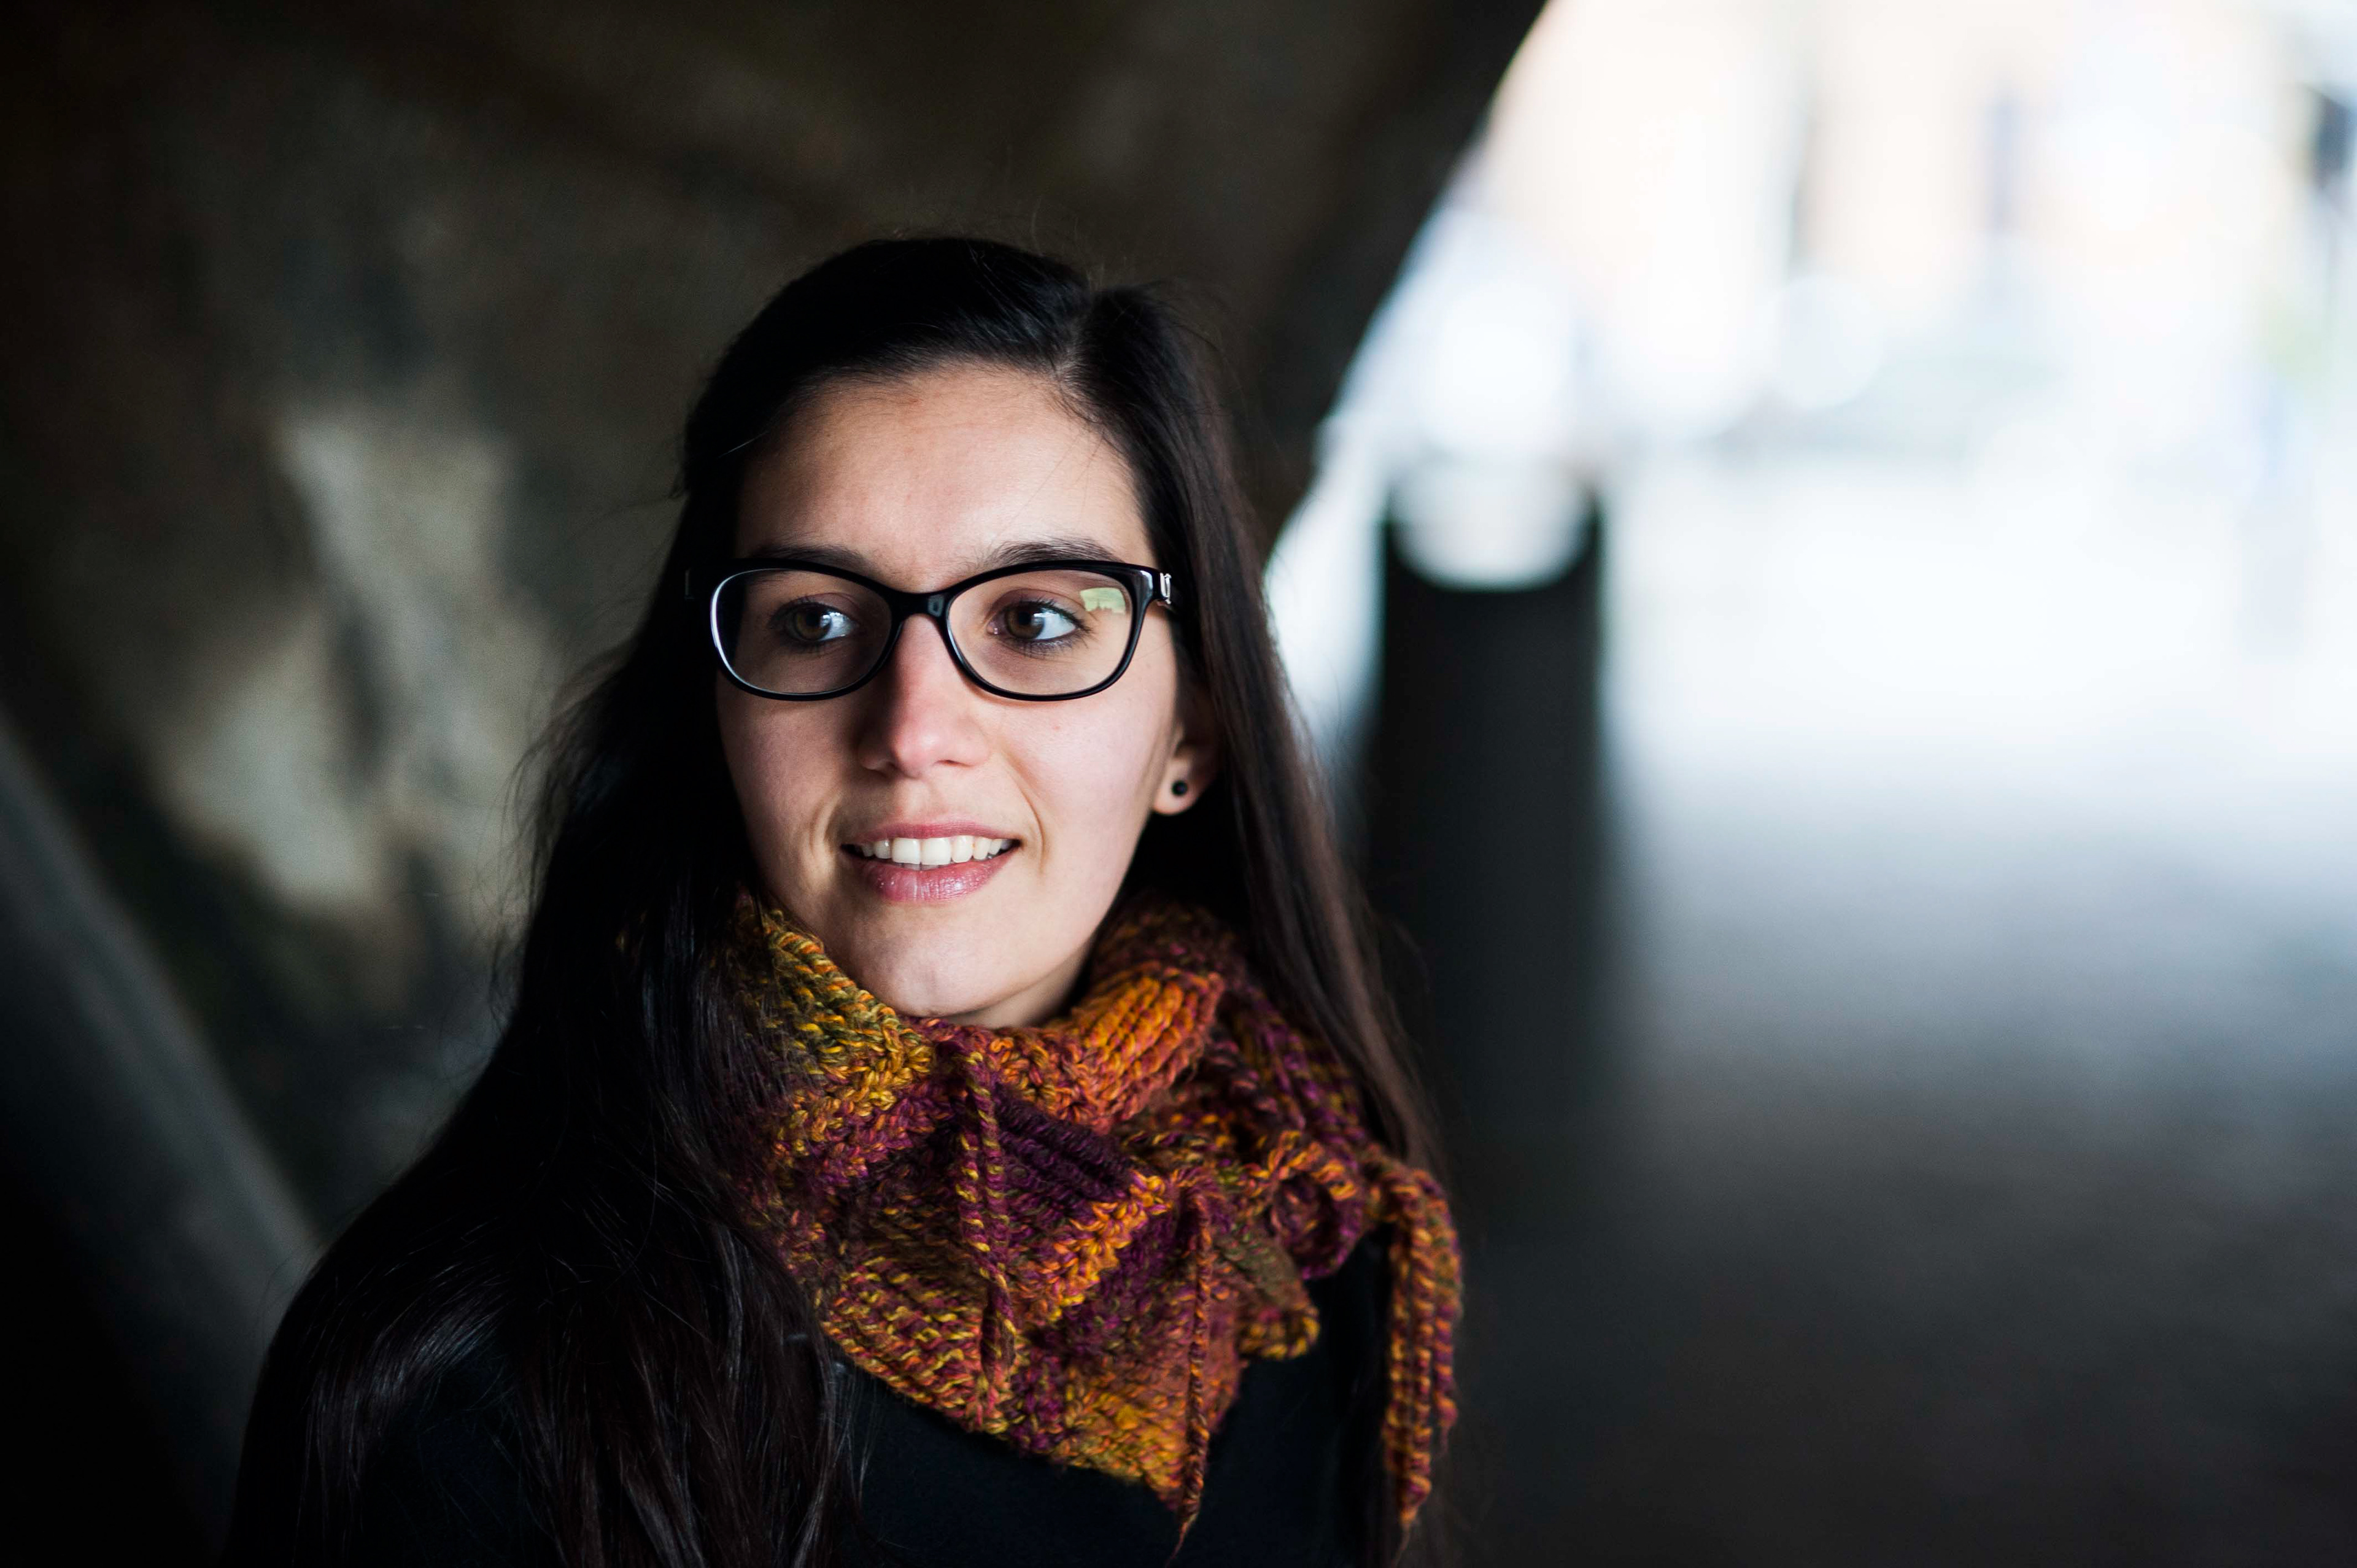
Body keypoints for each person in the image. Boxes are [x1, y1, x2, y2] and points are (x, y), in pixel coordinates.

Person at [223, 237, 1460, 1568]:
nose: (915, 730)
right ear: (716, 706)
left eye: (1037, 621)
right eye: (816, 622)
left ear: (1193, 731)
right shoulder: (465, 1394)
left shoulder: (1302, 1231)